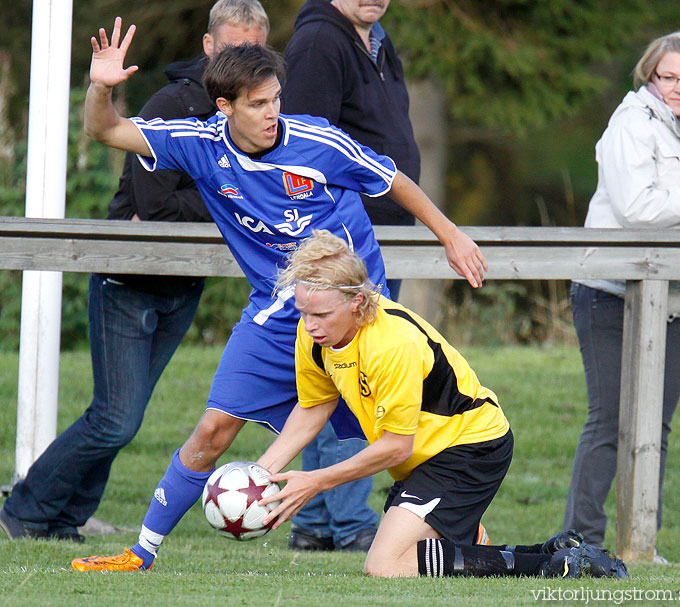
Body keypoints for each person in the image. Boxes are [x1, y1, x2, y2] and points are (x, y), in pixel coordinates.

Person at [71, 18, 487, 572]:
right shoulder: (198, 146)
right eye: (258, 104)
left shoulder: (319, 142)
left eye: (276, 100)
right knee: (214, 429)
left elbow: (394, 181)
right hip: (272, 313)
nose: (272, 113)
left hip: (351, 313)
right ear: (224, 107)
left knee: (395, 444)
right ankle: (139, 552)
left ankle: (466, 529)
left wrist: (452, 236)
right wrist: (101, 88)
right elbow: (106, 131)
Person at [0, 0, 269, 545]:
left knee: (122, 418)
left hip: (184, 285)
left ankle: (61, 520)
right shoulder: (172, 104)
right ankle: (24, 509)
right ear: (209, 48)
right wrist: (226, 198)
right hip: (130, 279)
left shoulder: (258, 116)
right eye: (236, 47)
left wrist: (220, 196)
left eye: (256, 49)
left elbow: (253, 197)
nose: (246, 59)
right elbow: (156, 206)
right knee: (115, 419)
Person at [253, 230, 628, 579]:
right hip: (426, 458)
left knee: (385, 564)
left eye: (321, 314)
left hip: (470, 447)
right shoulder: (315, 336)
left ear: (358, 302)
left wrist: (314, 482)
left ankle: (550, 566)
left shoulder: (392, 344)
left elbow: (397, 445)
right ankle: (545, 552)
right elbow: (313, 407)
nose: (310, 324)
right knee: (413, 555)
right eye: (303, 311)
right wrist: (259, 477)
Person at [278, 0, 421, 552]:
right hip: (345, 238)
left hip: (379, 234)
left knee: (345, 375)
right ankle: (347, 520)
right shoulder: (320, 42)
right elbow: (302, 146)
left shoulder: (377, 40)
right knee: (354, 380)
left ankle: (315, 523)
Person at [563, 31, 680, 563]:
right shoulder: (630, 124)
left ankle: (640, 545)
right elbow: (639, 209)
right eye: (669, 77)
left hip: (677, 299)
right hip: (609, 292)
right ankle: (581, 541)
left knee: (655, 428)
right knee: (611, 420)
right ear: (650, 76)